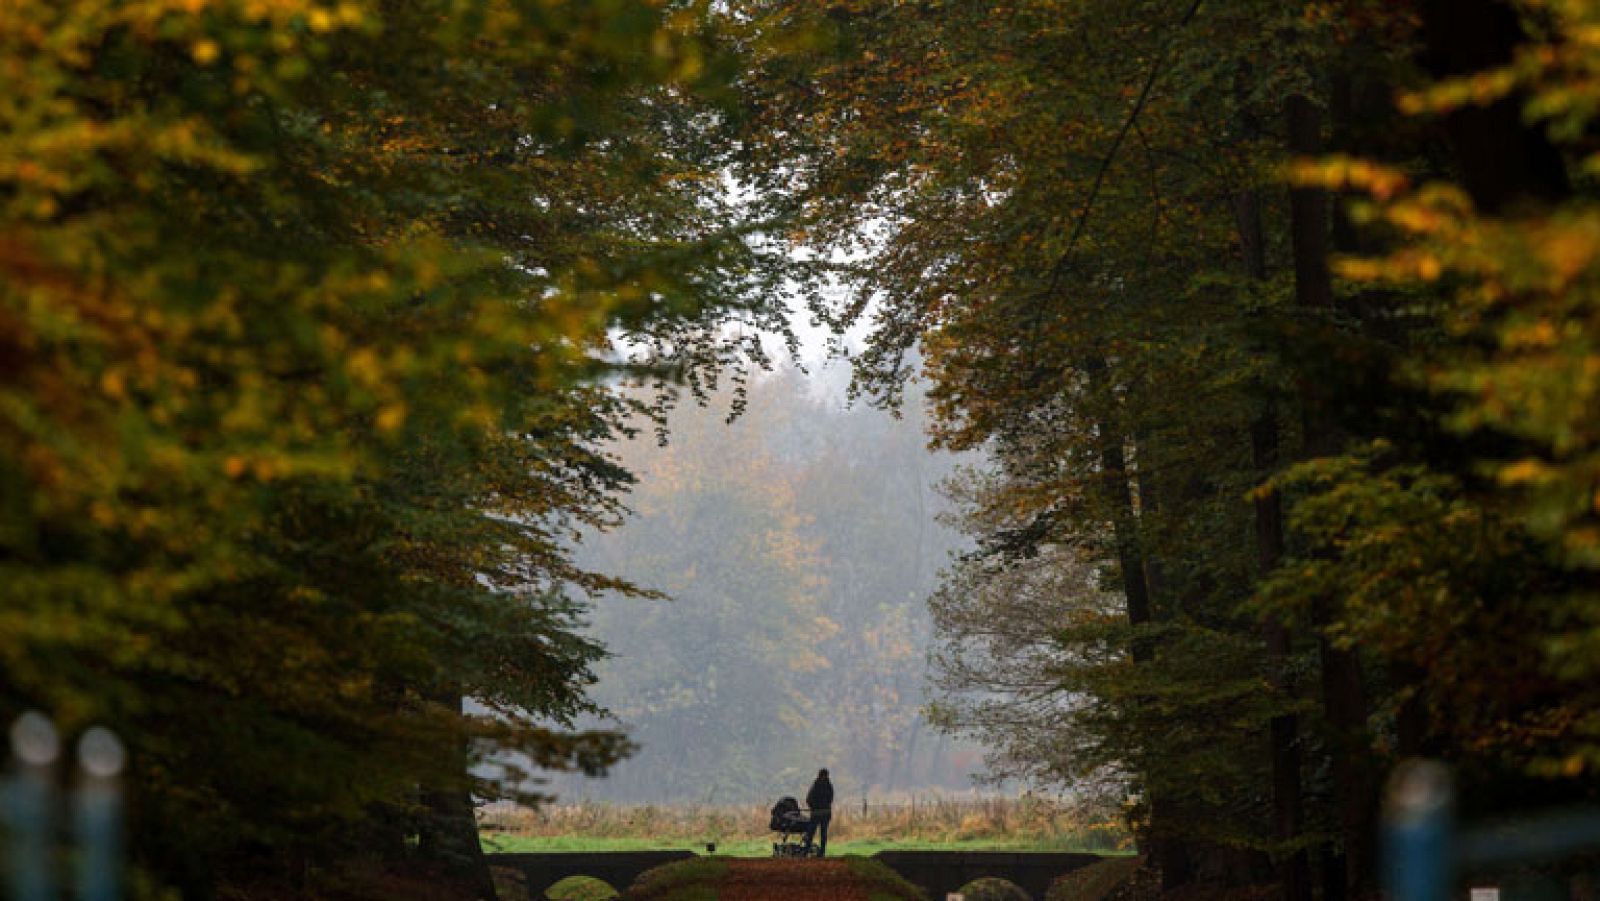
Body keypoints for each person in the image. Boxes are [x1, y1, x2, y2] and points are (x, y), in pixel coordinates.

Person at [802, 768, 833, 857]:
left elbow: (809, 799)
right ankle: (822, 852)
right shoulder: (829, 786)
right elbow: (830, 799)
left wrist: (813, 807)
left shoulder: (815, 785)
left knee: (811, 833)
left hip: (816, 814)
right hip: (826, 813)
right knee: (823, 834)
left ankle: (806, 851)